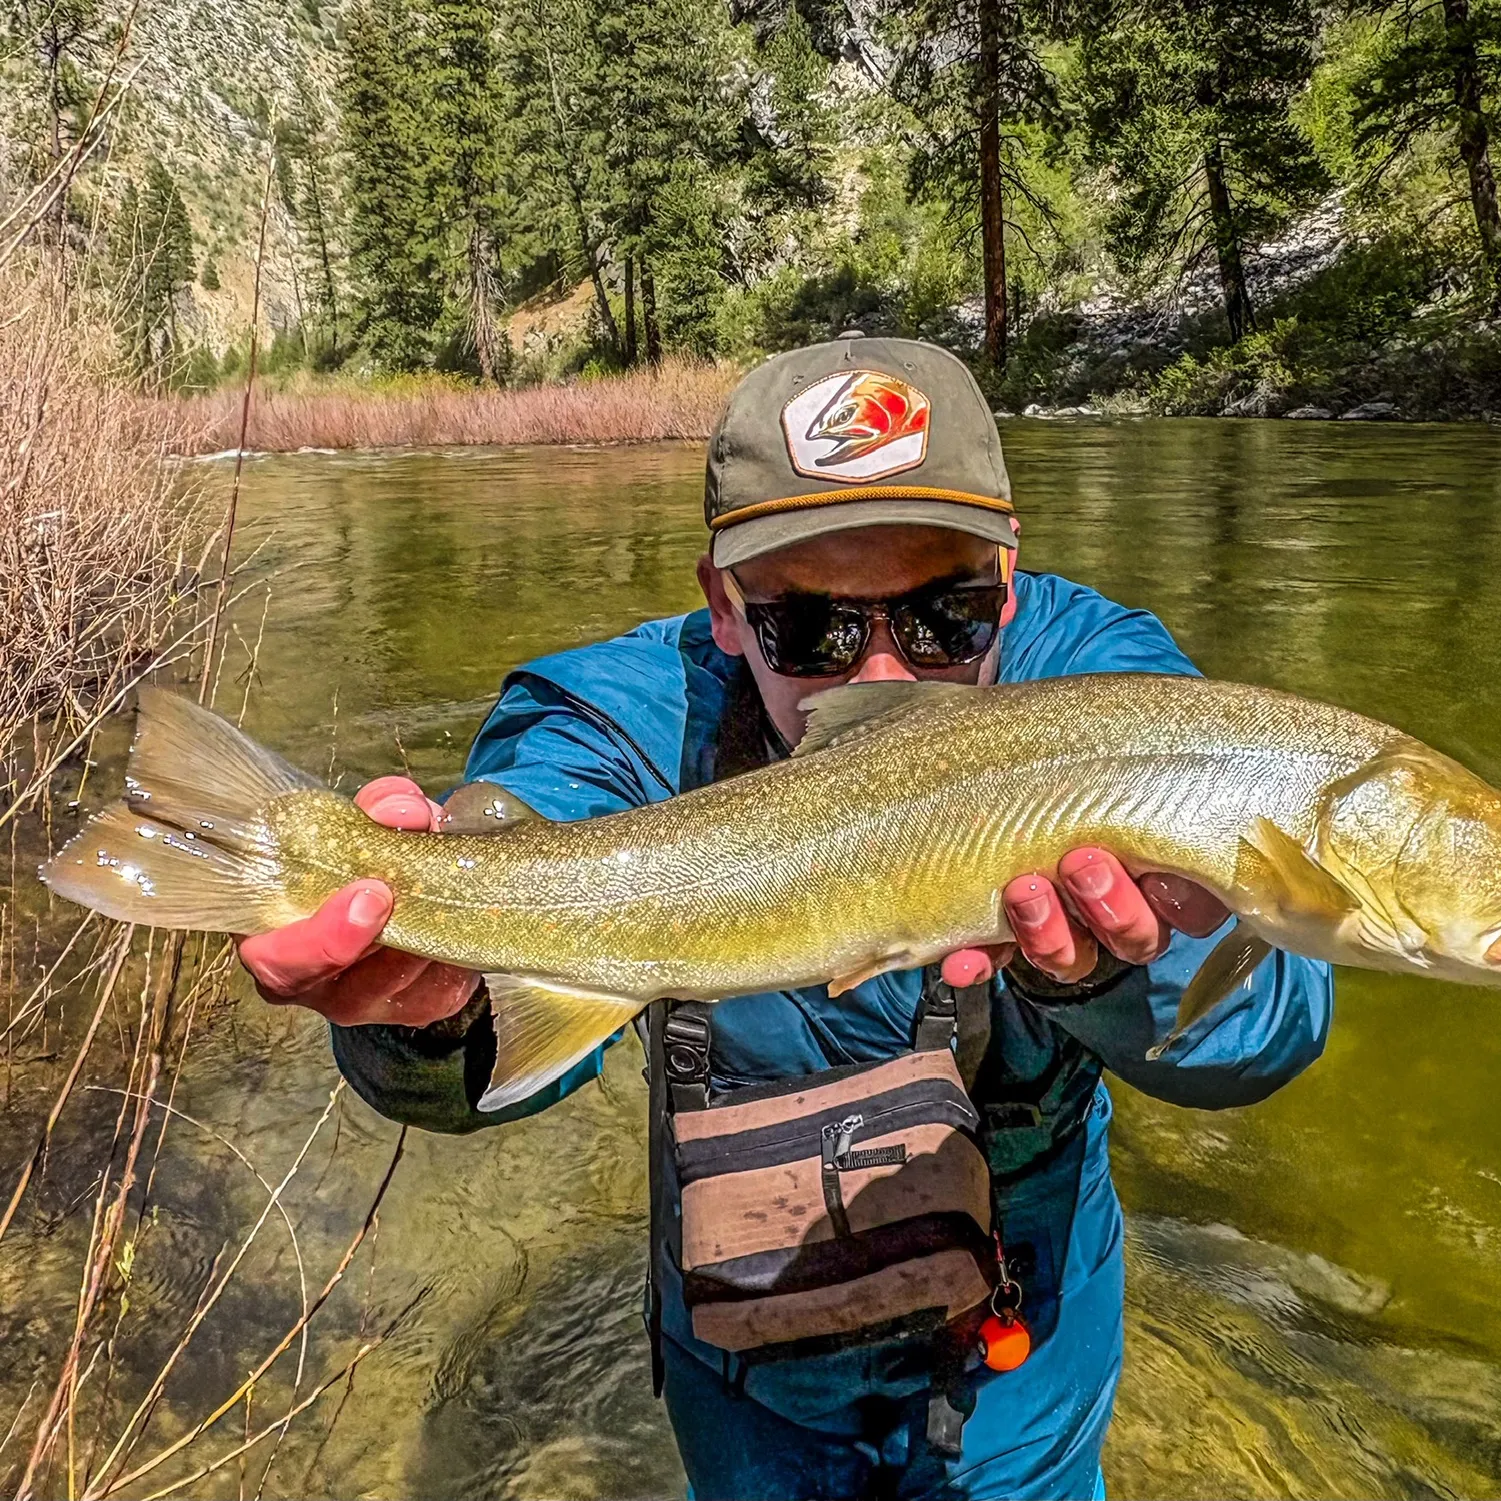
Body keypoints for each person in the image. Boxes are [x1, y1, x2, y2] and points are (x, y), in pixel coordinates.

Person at [238, 336, 1331, 1500]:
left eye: (943, 619)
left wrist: (1109, 971)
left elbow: (1268, 1027)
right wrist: (431, 1013)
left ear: (1007, 586)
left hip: (1026, 1332)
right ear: (724, 605)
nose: (882, 678)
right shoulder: (619, 719)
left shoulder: (1111, 690)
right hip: (744, 1353)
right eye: (810, 630)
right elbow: (523, 872)